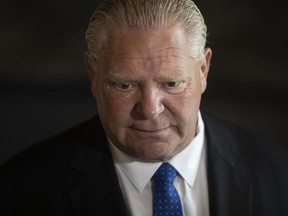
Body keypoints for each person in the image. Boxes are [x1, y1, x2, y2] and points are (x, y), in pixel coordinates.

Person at [1, 0, 288, 215]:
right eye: (124, 85)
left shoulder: (279, 174)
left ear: (203, 70)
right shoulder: (20, 191)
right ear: (93, 74)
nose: (150, 110)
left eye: (172, 83)